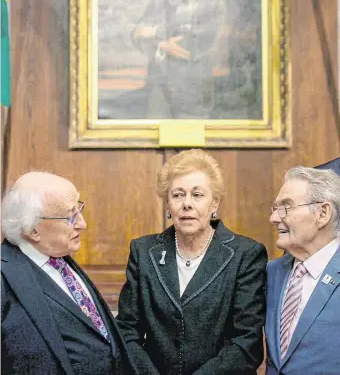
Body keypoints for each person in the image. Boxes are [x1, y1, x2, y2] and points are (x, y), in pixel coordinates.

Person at [117, 149, 267, 374]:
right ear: (168, 204)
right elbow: (127, 332)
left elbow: (247, 344)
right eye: (178, 195)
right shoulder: (143, 251)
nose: (186, 204)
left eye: (197, 195)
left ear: (214, 203)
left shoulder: (245, 254)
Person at [1, 171, 138, 375]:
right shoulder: (5, 276)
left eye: (78, 209)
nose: (82, 224)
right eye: (69, 217)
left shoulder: (59, 256)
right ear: (33, 230)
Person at [132, 0, 228, 119]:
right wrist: (160, 44)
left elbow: (194, 44)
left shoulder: (213, 1)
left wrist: (154, 32)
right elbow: (136, 34)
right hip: (157, 93)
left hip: (192, 94)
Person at [266, 167, 340, 374]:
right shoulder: (272, 273)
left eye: (286, 208)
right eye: (275, 209)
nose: (274, 218)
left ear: (323, 213)